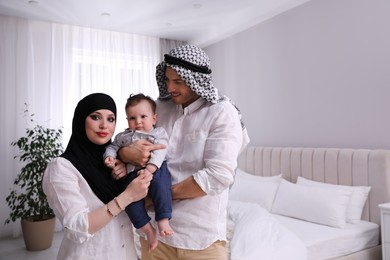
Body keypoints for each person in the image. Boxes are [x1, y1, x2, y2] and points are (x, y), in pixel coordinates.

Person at [119, 45, 250, 260]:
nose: (170, 87)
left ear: (197, 80)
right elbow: (131, 138)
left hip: (199, 238)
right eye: (167, 79)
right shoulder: (160, 107)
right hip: (154, 236)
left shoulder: (222, 112)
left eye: (178, 81)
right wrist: (125, 154)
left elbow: (218, 176)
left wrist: (157, 199)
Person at [42, 93, 163, 259]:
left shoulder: (115, 163)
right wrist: (126, 196)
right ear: (80, 120)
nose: (104, 125)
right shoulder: (61, 168)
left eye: (111, 119)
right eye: (95, 117)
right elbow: (77, 228)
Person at [103, 93, 173, 252]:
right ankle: (148, 230)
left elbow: (161, 150)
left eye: (143, 116)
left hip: (156, 170)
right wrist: (110, 157)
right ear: (127, 120)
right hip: (131, 175)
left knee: (162, 188)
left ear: (154, 119)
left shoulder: (158, 133)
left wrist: (150, 169)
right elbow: (112, 147)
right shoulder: (123, 136)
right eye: (132, 118)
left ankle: (163, 219)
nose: (138, 121)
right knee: (130, 202)